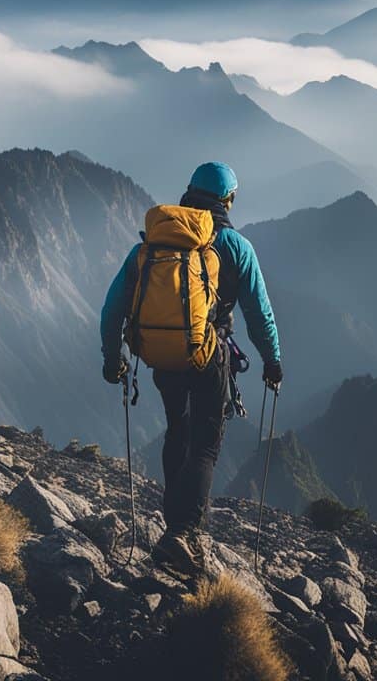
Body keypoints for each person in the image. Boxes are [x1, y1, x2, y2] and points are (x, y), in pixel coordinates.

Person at [100, 161, 282, 576]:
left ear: (188, 192)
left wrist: (114, 359)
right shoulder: (237, 248)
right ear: (229, 200)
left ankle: (173, 530)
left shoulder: (149, 247)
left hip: (163, 356)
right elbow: (259, 314)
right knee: (205, 445)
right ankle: (183, 535)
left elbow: (112, 311)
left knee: (177, 432)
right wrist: (272, 361)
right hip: (209, 356)